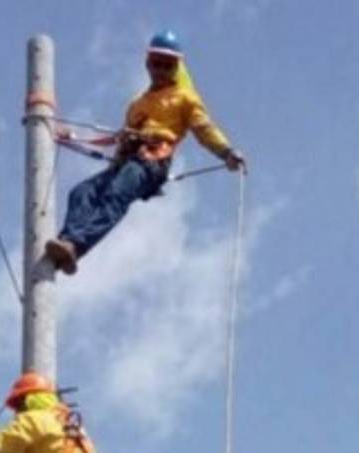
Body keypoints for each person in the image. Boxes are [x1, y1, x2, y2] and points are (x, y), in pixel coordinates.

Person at [44, 29, 246, 276]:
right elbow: (119, 137)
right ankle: (67, 244)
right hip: (127, 160)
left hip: (153, 160)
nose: (160, 70)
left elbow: (204, 128)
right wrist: (74, 138)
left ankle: (76, 245)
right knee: (82, 192)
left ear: (176, 67)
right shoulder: (138, 103)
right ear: (148, 63)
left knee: (115, 194)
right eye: (156, 63)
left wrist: (225, 151)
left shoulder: (185, 98)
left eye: (167, 65)